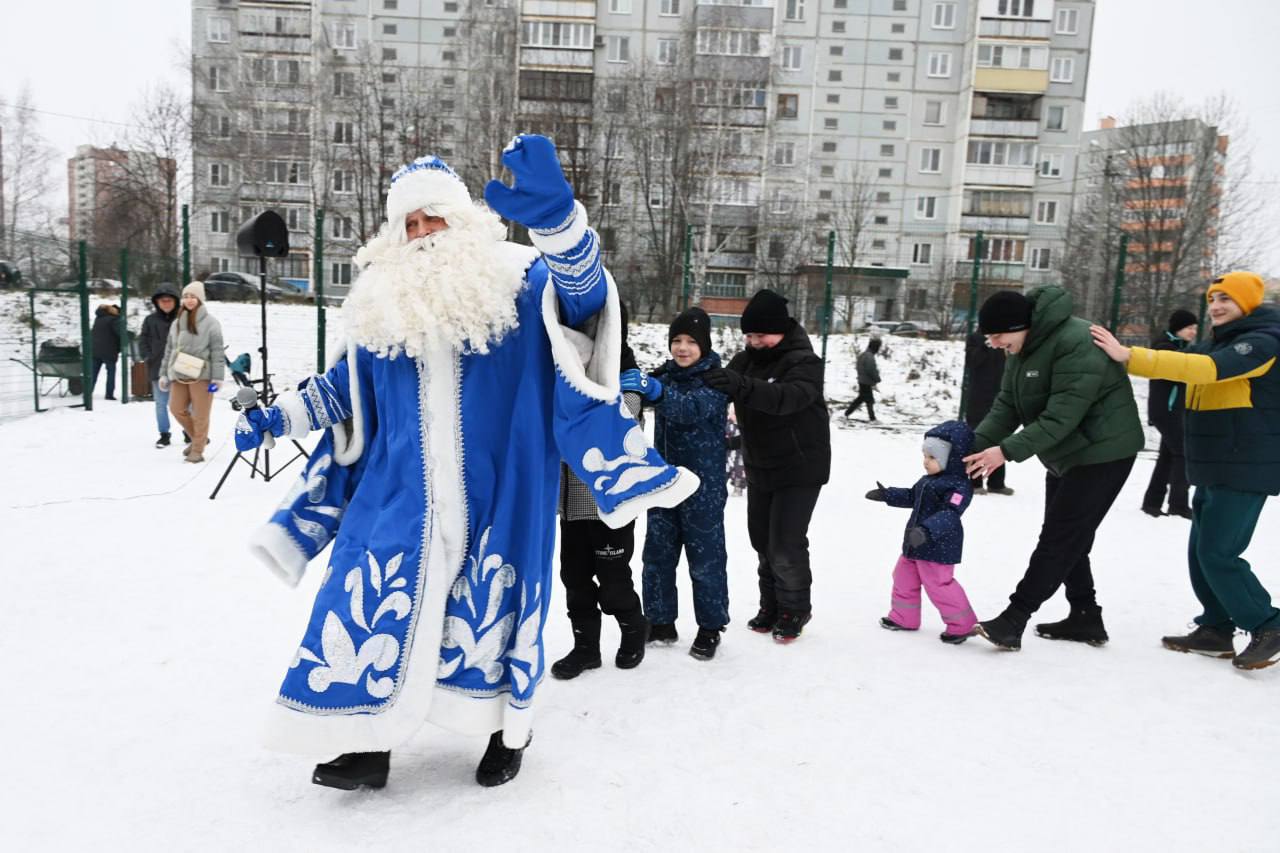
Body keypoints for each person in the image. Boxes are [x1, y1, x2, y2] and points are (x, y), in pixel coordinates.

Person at [233, 136, 698, 790]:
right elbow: (345, 387)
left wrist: (561, 226)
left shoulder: (517, 279)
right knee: (371, 605)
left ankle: (506, 729)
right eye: (410, 223)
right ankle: (368, 743)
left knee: (485, 615)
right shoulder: (381, 301)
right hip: (397, 493)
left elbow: (586, 301)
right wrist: (279, 418)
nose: (423, 234)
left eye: (435, 218)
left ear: (465, 221)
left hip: (498, 489)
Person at [1091, 271, 1280, 671]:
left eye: (1226, 299)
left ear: (1247, 302)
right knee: (1200, 551)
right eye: (1213, 299)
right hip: (1216, 463)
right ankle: (1215, 627)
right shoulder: (1220, 341)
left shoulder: (1261, 342)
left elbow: (1208, 370)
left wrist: (1132, 356)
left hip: (1245, 464)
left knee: (1219, 552)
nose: (1216, 306)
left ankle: (1268, 622)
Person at [961, 287, 1143, 651]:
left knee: (1060, 537)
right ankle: (1085, 617)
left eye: (999, 335)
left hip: (1103, 451)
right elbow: (1007, 406)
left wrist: (1006, 452)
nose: (994, 343)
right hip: (1066, 452)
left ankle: (1014, 619)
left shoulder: (1077, 342)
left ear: (1021, 325)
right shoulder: (1023, 346)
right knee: (1068, 536)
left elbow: (1061, 416)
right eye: (989, 336)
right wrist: (968, 446)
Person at [702, 289, 830, 643]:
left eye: (761, 335)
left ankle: (794, 609)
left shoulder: (804, 363)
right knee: (761, 540)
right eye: (749, 335)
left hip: (800, 466)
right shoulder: (745, 361)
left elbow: (787, 399)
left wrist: (740, 385)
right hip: (761, 464)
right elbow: (718, 388)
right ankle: (771, 604)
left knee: (785, 543)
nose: (754, 342)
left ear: (782, 330)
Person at [550, 308, 649, 680]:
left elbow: (624, 414)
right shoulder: (564, 369)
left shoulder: (626, 373)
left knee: (613, 579)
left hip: (612, 499)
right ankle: (586, 647)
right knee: (574, 577)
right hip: (572, 502)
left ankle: (633, 628)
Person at [630, 307, 730, 660]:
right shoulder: (665, 377)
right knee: (657, 554)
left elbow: (688, 409)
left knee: (705, 559)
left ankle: (710, 626)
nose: (682, 348)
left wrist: (654, 391)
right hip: (664, 483)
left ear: (704, 345)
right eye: (676, 340)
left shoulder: (718, 381)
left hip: (703, 488)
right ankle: (659, 620)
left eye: (691, 341)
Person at [867, 420, 977, 644]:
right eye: (925, 455)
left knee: (939, 586)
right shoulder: (928, 481)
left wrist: (927, 530)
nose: (925, 462)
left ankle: (962, 625)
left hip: (938, 547)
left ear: (952, 458)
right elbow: (911, 496)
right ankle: (904, 617)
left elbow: (951, 513)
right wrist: (888, 495)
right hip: (914, 544)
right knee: (902, 577)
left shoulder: (958, 487)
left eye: (932, 457)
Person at [1140, 309, 1198, 518]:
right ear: (1178, 328)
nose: (1193, 332)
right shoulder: (1167, 348)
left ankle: (1152, 503)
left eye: (1195, 328)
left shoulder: (1177, 348)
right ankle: (1178, 504)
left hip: (1171, 410)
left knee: (1167, 457)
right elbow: (1179, 372)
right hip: (1167, 410)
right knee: (1182, 453)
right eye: (1190, 328)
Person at [159, 282, 224, 464]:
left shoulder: (211, 323)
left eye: (193, 296)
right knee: (176, 408)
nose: (189, 300)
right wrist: (164, 373)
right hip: (179, 372)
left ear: (200, 299)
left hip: (202, 375)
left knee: (201, 414)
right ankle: (199, 438)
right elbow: (169, 349)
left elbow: (217, 351)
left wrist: (218, 377)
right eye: (186, 296)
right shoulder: (177, 322)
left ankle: (197, 449)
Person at [962, 330, 1012, 495]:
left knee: (999, 437)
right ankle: (975, 482)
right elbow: (972, 362)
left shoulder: (1008, 338)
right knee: (978, 436)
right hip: (978, 396)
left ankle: (996, 483)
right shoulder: (976, 338)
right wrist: (985, 344)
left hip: (1001, 395)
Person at [137, 283, 181, 448]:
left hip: (181, 368)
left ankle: (188, 431)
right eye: (162, 301)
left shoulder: (183, 318)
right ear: (157, 302)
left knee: (184, 403)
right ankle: (164, 434)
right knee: (161, 403)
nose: (166, 303)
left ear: (175, 301)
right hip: (157, 367)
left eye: (169, 300)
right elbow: (143, 339)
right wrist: (148, 356)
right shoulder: (150, 320)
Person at [90, 302, 124, 400]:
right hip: (109, 350)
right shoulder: (115, 320)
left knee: (93, 372)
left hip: (95, 349)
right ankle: (109, 394)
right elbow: (121, 334)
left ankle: (88, 392)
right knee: (111, 372)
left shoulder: (98, 318)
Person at [843, 336, 881, 421]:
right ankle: (872, 418)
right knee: (866, 400)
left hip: (862, 380)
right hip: (866, 381)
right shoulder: (869, 356)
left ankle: (848, 413)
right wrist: (877, 379)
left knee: (864, 399)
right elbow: (871, 370)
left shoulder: (863, 354)